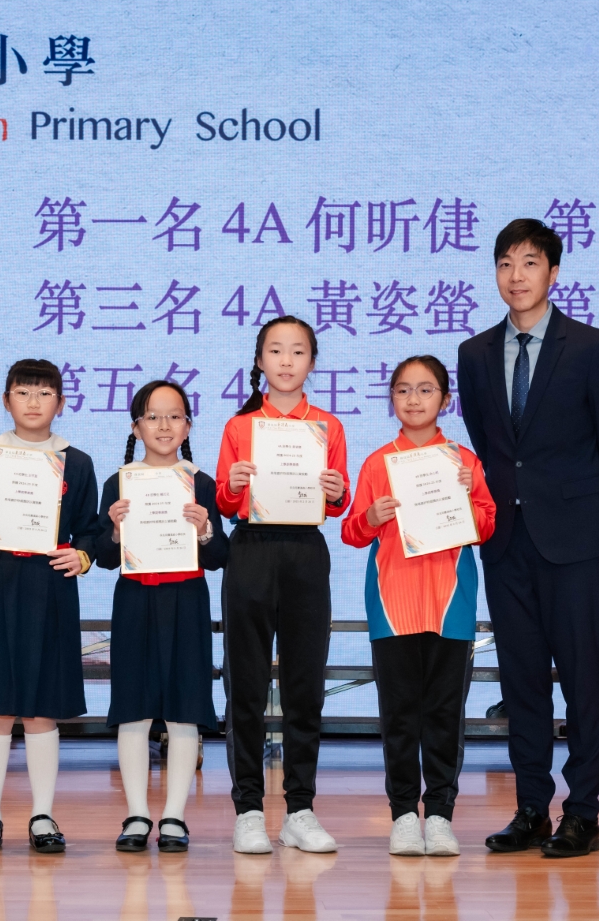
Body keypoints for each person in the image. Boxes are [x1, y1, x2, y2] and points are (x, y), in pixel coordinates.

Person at [457, 219, 599, 859]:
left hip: (575, 542)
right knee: (522, 680)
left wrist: (576, 507)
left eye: (529, 263)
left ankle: (582, 813)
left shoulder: (592, 347)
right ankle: (532, 807)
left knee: (583, 679)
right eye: (505, 263)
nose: (516, 276)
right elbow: (488, 444)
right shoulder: (475, 354)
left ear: (553, 272)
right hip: (506, 541)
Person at [341, 355, 497, 857]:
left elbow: (487, 527)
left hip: (451, 604)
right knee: (400, 715)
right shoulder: (377, 463)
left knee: (446, 714)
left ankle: (442, 816)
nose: (413, 399)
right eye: (403, 389)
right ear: (392, 399)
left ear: (445, 400)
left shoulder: (464, 462)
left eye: (426, 389)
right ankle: (405, 815)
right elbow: (351, 532)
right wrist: (371, 515)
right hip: (393, 605)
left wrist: (468, 498)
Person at [0, 358, 101, 855]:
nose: (34, 402)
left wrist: (82, 556)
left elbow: (92, 532)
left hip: (48, 588)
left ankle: (43, 815)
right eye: (24, 392)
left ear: (62, 402)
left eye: (45, 393)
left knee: (41, 708)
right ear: (6, 400)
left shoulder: (77, 462)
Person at [215, 316, 351, 855]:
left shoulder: (328, 426)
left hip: (304, 552)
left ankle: (300, 810)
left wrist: (336, 491)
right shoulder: (240, 426)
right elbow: (225, 501)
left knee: (304, 685)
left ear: (312, 362)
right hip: (250, 549)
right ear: (260, 361)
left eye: (298, 351)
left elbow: (337, 503)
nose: (287, 360)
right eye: (276, 350)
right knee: (245, 684)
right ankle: (248, 809)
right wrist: (233, 485)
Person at [92, 379, 229, 854]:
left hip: (187, 601)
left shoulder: (201, 483)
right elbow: (103, 557)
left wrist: (206, 530)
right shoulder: (119, 483)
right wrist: (114, 530)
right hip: (134, 602)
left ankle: (174, 816)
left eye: (174, 416)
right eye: (152, 417)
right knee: (133, 709)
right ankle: (135, 814)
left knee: (184, 709)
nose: (164, 425)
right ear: (136, 427)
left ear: (188, 426)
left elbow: (222, 556)